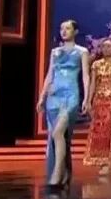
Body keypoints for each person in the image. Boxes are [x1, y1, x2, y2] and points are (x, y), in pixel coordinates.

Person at [36, 19, 90, 190]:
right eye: (62, 29)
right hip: (54, 97)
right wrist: (42, 97)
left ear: (75, 31)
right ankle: (65, 173)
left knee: (58, 132)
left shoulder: (82, 52)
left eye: (68, 28)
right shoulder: (55, 52)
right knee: (59, 137)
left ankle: (57, 174)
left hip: (70, 96)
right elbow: (49, 75)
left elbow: (85, 76)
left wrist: (87, 98)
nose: (64, 31)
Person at [83, 38, 111, 177]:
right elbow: (93, 84)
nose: (106, 49)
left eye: (108, 46)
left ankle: (107, 162)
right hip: (99, 100)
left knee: (109, 132)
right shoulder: (96, 64)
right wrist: (88, 101)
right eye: (104, 46)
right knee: (97, 131)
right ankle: (98, 159)